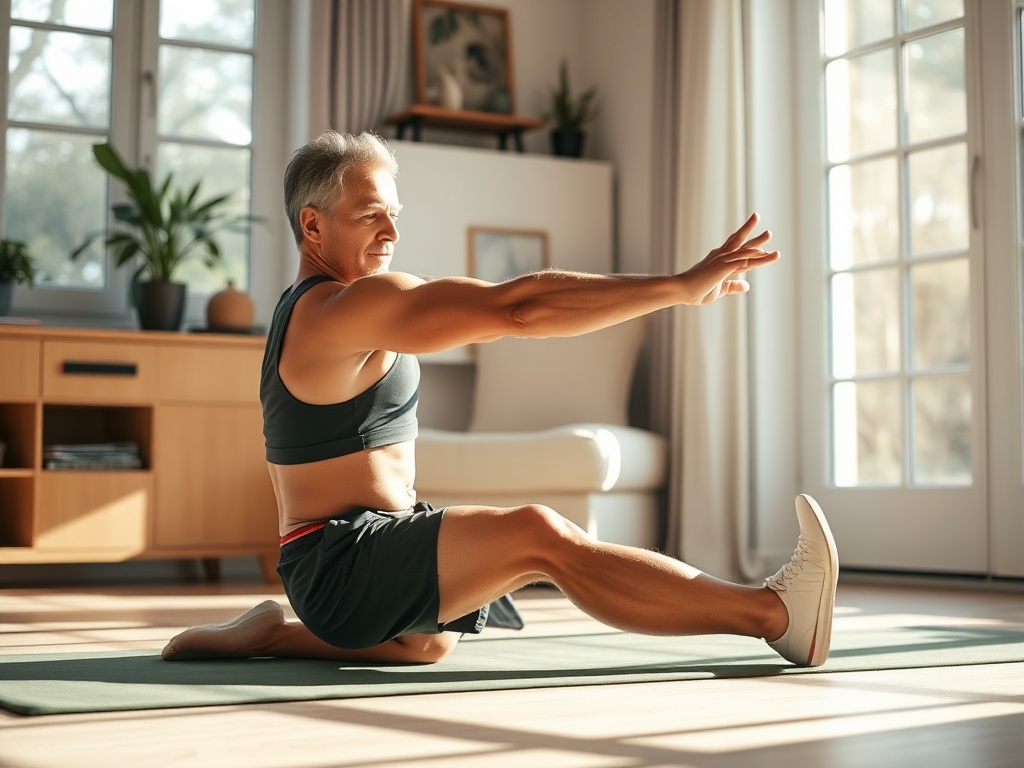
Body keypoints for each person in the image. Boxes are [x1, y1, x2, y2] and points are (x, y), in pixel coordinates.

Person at [162, 130, 839, 668]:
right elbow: (516, 308)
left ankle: (274, 634)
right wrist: (678, 287)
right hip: (341, 562)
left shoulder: (310, 308)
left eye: (394, 215)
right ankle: (773, 614)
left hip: (337, 560)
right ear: (313, 227)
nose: (391, 234)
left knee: (428, 642)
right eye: (370, 216)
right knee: (537, 534)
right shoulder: (341, 309)